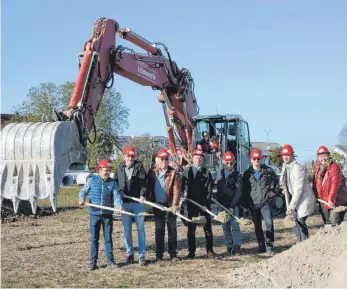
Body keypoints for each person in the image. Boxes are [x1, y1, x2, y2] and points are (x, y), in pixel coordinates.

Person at [79, 160, 122, 270]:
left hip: (107, 215)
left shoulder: (112, 183)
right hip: (94, 214)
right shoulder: (92, 180)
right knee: (94, 239)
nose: (107, 172)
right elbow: (83, 191)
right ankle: (92, 262)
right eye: (105, 170)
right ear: (99, 170)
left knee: (108, 239)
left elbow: (117, 196)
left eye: (109, 170)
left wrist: (118, 206)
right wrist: (81, 198)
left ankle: (110, 262)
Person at [147, 148, 181, 261]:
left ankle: (173, 254)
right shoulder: (152, 172)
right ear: (157, 160)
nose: (164, 162)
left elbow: (176, 190)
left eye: (166, 159)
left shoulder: (173, 172)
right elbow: (148, 187)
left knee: (172, 229)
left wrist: (174, 205)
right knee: (159, 229)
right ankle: (159, 254)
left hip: (169, 205)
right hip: (158, 205)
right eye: (161, 159)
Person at [114, 146, 147, 266]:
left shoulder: (140, 168)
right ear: (124, 157)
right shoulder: (119, 168)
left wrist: (143, 195)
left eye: (132, 156)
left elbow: (144, 184)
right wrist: (119, 191)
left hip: (137, 203)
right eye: (128, 156)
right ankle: (130, 254)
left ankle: (142, 255)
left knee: (140, 230)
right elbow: (115, 184)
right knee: (127, 230)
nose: (130, 158)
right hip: (124, 203)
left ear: (135, 157)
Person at [181, 148, 216, 259]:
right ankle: (191, 252)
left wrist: (206, 203)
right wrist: (182, 197)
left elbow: (210, 189)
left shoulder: (207, 172)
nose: (198, 160)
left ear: (203, 159)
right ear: (193, 159)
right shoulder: (187, 171)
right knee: (191, 229)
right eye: (196, 158)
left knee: (207, 228)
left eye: (200, 158)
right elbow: (182, 186)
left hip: (204, 204)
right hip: (191, 203)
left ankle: (210, 251)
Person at [243, 149, 279, 254]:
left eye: (258, 159)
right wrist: (245, 205)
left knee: (269, 223)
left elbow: (276, 180)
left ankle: (269, 246)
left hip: (265, 202)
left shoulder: (268, 171)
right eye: (254, 159)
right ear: (251, 160)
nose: (256, 160)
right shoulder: (247, 174)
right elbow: (244, 190)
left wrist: (274, 191)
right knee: (257, 226)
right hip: (253, 204)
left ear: (261, 159)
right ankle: (261, 246)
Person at [280, 144, 316, 242]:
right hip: (294, 197)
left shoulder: (297, 168)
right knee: (293, 220)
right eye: (284, 155)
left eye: (288, 155)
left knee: (300, 220)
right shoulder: (285, 166)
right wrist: (285, 188)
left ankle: (304, 242)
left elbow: (298, 189)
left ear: (292, 155)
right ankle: (299, 241)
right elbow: (284, 181)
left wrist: (291, 206)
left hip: (304, 198)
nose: (285, 157)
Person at [214, 151, 243, 256]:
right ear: (223, 162)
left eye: (231, 163)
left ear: (234, 162)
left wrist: (231, 206)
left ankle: (236, 247)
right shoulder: (220, 173)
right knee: (225, 226)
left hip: (233, 206)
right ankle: (229, 247)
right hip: (222, 205)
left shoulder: (238, 175)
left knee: (234, 226)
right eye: (227, 163)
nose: (229, 165)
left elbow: (238, 192)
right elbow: (218, 190)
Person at [313, 145, 347, 226]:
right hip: (323, 200)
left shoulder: (334, 167)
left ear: (328, 156)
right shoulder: (317, 167)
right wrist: (315, 195)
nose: (323, 158)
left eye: (325, 156)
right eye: (321, 156)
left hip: (338, 200)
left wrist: (331, 199)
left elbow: (334, 185)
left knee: (335, 222)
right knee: (327, 223)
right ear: (318, 157)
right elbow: (315, 182)